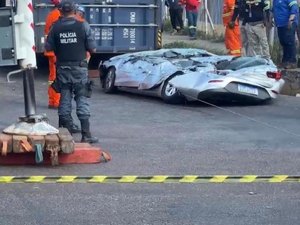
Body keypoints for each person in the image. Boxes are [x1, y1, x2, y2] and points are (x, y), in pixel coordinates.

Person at [45, 0, 98, 143]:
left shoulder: (55, 28)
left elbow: (48, 48)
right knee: (82, 99)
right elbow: (93, 48)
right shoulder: (83, 26)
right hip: (79, 69)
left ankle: (64, 134)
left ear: (60, 12)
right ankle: (86, 135)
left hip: (62, 69)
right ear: (75, 11)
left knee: (64, 99)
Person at [44, 0, 61, 109]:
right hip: (59, 51)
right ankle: (55, 101)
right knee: (58, 76)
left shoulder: (51, 15)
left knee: (53, 76)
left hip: (52, 51)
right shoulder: (61, 15)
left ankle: (54, 100)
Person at [273, 0, 298, 69]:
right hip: (280, 24)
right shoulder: (275, 1)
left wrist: (291, 18)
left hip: (288, 23)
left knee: (289, 42)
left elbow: (294, 6)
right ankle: (285, 61)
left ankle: (292, 62)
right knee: (283, 42)